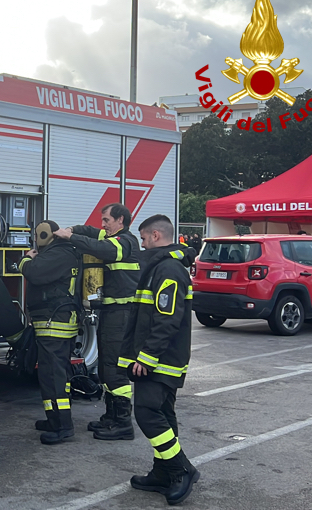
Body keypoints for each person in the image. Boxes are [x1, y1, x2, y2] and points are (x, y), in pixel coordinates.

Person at [122, 214, 199, 505]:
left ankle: (180, 470)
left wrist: (147, 357)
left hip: (160, 359)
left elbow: (166, 319)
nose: (142, 244)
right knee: (163, 414)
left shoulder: (168, 269)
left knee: (147, 413)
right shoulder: (163, 266)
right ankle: (163, 472)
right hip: (162, 357)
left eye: (143, 238)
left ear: (155, 235)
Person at [54, 203, 140, 440]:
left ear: (120, 220)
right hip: (111, 312)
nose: (103, 225)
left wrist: (71, 237)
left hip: (123, 313)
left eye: (107, 220)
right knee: (105, 368)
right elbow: (91, 232)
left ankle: (123, 423)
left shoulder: (125, 242)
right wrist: (72, 229)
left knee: (115, 369)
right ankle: (111, 416)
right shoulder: (110, 236)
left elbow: (100, 247)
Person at [20, 220, 81, 445]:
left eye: (38, 235)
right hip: (55, 322)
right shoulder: (61, 253)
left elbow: (34, 273)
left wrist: (26, 259)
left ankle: (62, 426)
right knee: (54, 375)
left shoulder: (58, 254)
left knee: (53, 377)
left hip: (55, 324)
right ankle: (54, 419)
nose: (37, 239)